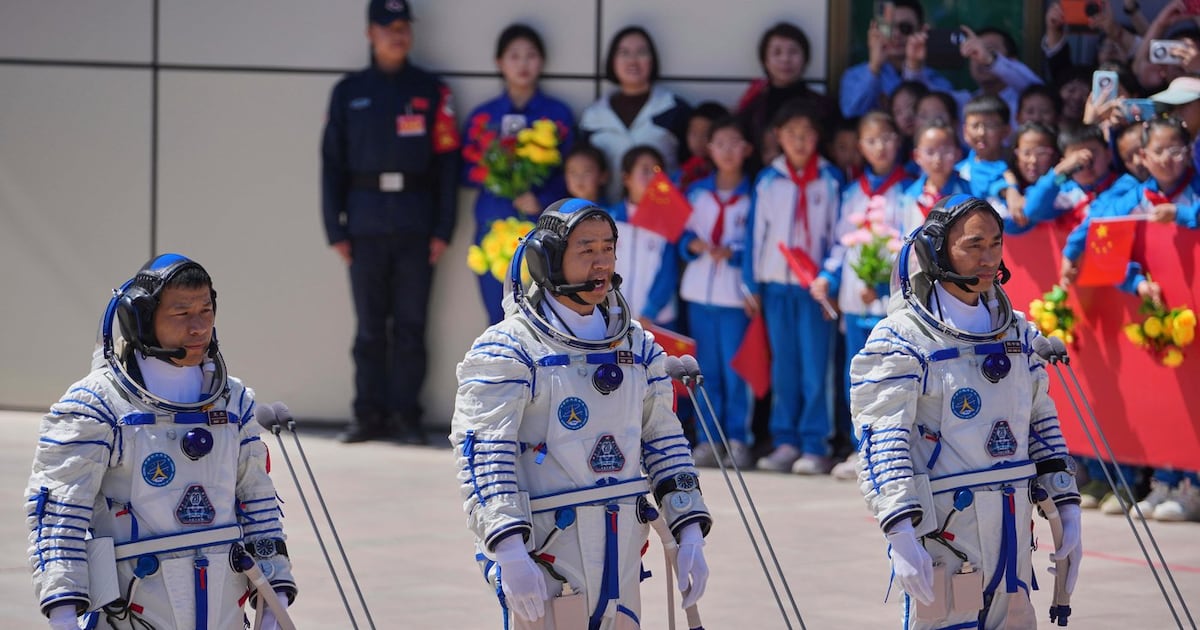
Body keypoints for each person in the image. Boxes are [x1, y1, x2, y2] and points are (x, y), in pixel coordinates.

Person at [449, 198, 712, 629]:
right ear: (548, 258)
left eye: (608, 248)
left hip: (622, 552)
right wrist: (510, 551)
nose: (601, 262)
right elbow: (484, 457)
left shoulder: (637, 347)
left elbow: (664, 440)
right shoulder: (509, 350)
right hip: (547, 553)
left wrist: (688, 528)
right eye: (585, 250)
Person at [25, 254, 297, 630]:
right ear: (141, 319)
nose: (199, 326)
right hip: (132, 613)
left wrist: (274, 599)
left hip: (225, 613)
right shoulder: (96, 406)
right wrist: (64, 615)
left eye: (206, 310)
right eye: (182, 313)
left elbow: (259, 504)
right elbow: (59, 518)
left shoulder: (234, 402)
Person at [850, 195, 1082, 628]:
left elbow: (1040, 423)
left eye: (995, 244)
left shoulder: (1016, 331)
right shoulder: (902, 339)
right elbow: (882, 439)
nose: (988, 258)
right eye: (973, 245)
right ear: (938, 250)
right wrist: (900, 532)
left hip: (1011, 533)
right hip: (945, 535)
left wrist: (1064, 503)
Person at [320, 0, 461, 444]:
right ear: (370, 34)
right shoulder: (349, 92)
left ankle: (406, 416)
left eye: (403, 27)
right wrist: (335, 228)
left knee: (410, 327)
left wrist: (443, 229)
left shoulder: (432, 91)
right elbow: (330, 164)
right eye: (387, 28)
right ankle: (367, 415)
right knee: (368, 328)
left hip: (417, 224)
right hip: (363, 224)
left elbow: (448, 165)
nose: (396, 35)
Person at [744, 99, 844, 474]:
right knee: (783, 366)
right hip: (775, 287)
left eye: (806, 135)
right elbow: (756, 234)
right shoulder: (769, 181)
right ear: (778, 137)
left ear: (816, 137)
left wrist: (830, 279)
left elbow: (840, 236)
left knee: (815, 368)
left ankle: (815, 443)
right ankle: (785, 440)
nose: (799, 142)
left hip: (814, 290)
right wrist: (750, 283)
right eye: (792, 135)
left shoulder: (831, 180)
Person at [461, 23, 575, 325]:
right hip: (493, 228)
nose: (523, 64)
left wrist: (541, 198)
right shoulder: (484, 116)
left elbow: (573, 174)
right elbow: (464, 171)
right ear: (499, 62)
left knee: (547, 320)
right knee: (499, 319)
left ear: (542, 61)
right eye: (514, 56)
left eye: (531, 55)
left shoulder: (557, 114)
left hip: (543, 229)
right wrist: (497, 176)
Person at [828, 112, 913, 480]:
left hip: (888, 302)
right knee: (858, 376)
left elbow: (909, 246)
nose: (881, 146)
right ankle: (858, 446)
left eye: (888, 138)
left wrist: (880, 284)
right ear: (860, 146)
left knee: (891, 376)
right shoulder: (850, 192)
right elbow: (837, 245)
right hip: (853, 301)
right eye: (872, 140)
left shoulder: (906, 191)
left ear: (898, 141)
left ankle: (891, 449)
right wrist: (825, 278)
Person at [680, 117, 756, 469]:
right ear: (709, 149)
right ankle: (709, 438)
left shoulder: (754, 195)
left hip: (734, 296)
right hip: (699, 292)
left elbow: (760, 243)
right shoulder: (696, 193)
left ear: (746, 150)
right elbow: (678, 235)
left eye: (734, 142)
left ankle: (738, 438)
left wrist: (735, 253)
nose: (726, 150)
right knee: (704, 369)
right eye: (719, 143)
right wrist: (691, 244)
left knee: (735, 369)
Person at [579, 26, 691, 204]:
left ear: (652, 60)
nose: (632, 60)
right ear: (612, 61)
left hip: (663, 217)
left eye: (641, 52)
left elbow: (691, 166)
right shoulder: (593, 117)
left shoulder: (674, 108)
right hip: (607, 217)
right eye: (624, 53)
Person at [738, 22, 841, 166]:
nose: (785, 59)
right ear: (765, 61)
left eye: (793, 52)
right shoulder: (752, 109)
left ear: (805, 59)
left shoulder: (826, 107)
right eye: (777, 52)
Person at [839, 0, 954, 119]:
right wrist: (874, 67)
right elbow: (851, 115)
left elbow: (936, 117)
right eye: (888, 28)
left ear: (921, 31)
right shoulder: (854, 76)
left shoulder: (936, 80)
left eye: (905, 28)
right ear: (876, 29)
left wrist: (913, 68)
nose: (896, 34)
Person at [608, 145, 681, 328]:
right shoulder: (609, 220)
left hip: (657, 321)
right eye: (645, 170)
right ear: (626, 178)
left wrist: (650, 311)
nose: (652, 178)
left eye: (657, 171)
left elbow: (669, 272)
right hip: (615, 319)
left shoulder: (668, 221)